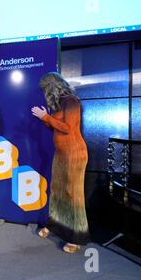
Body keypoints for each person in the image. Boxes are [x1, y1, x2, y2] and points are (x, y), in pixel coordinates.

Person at [31, 72, 90, 253]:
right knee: (57, 192)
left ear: (52, 87)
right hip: (61, 154)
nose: (44, 93)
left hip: (74, 154)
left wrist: (45, 117)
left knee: (73, 195)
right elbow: (55, 127)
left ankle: (76, 237)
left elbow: (68, 129)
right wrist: (45, 119)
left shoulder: (71, 101)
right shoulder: (59, 104)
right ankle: (55, 226)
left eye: (45, 90)